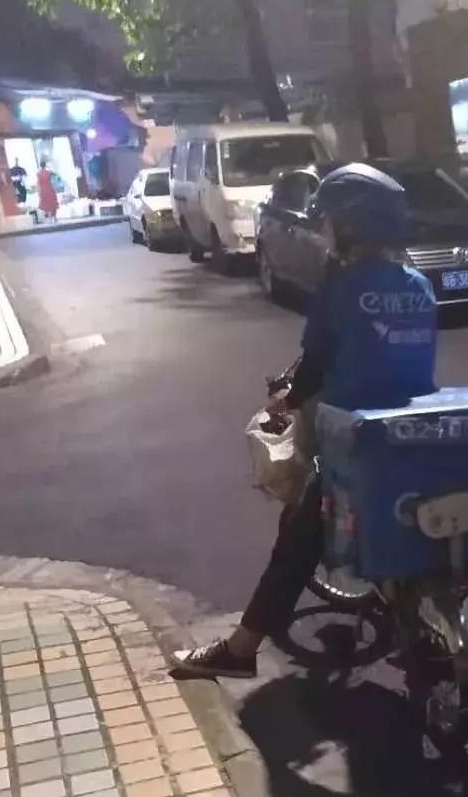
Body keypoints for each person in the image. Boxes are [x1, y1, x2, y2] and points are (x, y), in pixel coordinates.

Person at [171, 163, 438, 681]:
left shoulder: (344, 287)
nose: (324, 230)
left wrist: (287, 401)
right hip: (415, 430)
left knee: (296, 541)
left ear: (351, 226)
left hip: (354, 436)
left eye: (330, 221)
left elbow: (315, 365)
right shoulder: (420, 286)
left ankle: (241, 649)